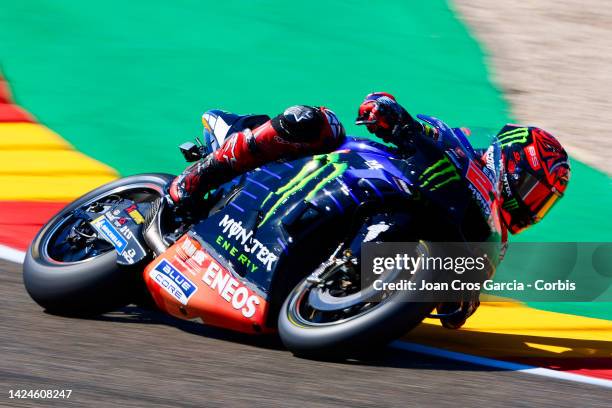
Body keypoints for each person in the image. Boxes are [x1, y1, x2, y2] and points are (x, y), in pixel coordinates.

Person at [166, 92, 571, 329]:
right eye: (534, 188)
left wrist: (459, 295)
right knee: (315, 122)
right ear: (510, 162)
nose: (532, 203)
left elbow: (455, 313)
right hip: (348, 172)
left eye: (543, 202)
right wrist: (387, 110)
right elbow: (409, 122)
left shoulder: (490, 242)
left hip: (366, 232)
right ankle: (194, 181)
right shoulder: (457, 146)